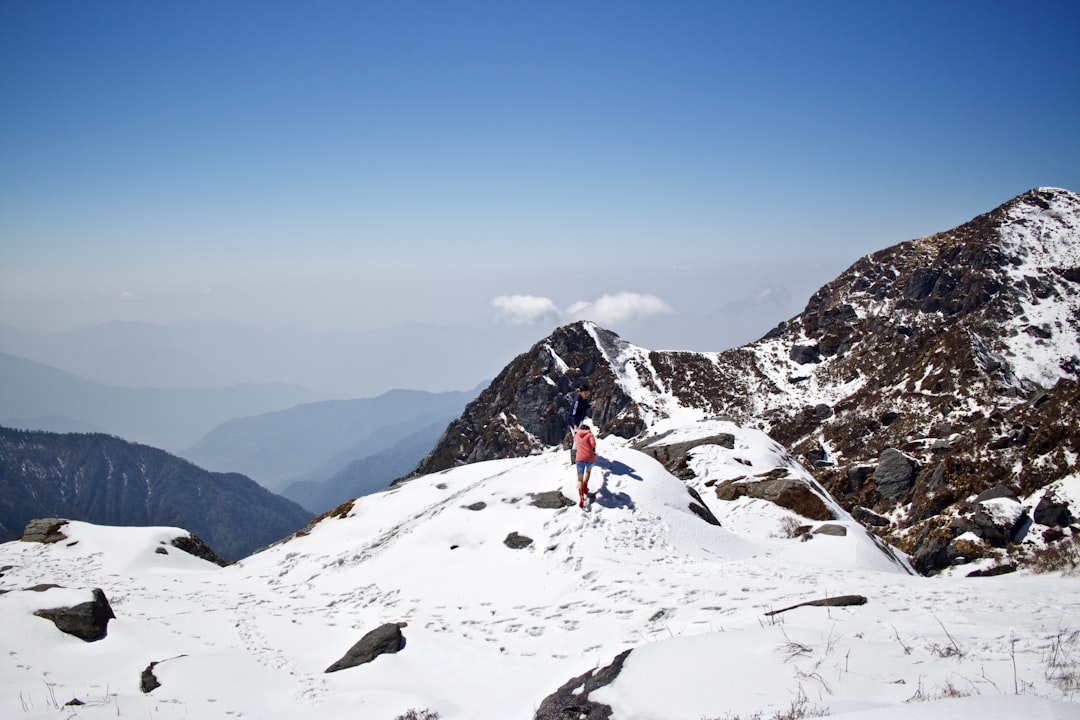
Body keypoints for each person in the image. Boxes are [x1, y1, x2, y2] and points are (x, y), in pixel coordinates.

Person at [573, 421, 597, 509]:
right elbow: (593, 444)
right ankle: (585, 486)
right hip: (589, 457)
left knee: (579, 478)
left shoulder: (577, 435)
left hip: (579, 458)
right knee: (588, 471)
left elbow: (575, 439)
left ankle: (581, 496)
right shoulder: (590, 434)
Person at [567, 384, 591, 463]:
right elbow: (574, 413)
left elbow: (584, 406)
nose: (586, 395)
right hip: (573, 422)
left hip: (579, 421)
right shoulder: (577, 401)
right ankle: (574, 460)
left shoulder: (583, 399)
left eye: (587, 393)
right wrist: (575, 425)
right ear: (580, 392)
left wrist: (590, 405)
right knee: (577, 439)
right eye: (585, 393)